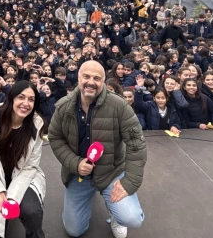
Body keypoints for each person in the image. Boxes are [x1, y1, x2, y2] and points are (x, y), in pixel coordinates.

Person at [48, 60, 146, 238]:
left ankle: (116, 215)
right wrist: (75, 163)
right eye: (86, 76)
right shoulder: (63, 106)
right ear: (79, 78)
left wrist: (129, 183)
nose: (91, 82)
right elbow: (55, 137)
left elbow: (136, 145)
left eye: (97, 78)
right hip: (79, 174)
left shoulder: (119, 106)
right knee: (74, 231)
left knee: (131, 219)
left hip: (111, 172)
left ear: (103, 81)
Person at [0, 81, 47, 238]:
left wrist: (12, 197)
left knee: (32, 211)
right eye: (21, 97)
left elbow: (30, 166)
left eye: (31, 99)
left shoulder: (36, 126)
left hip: (22, 176)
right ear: (11, 98)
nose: (26, 103)